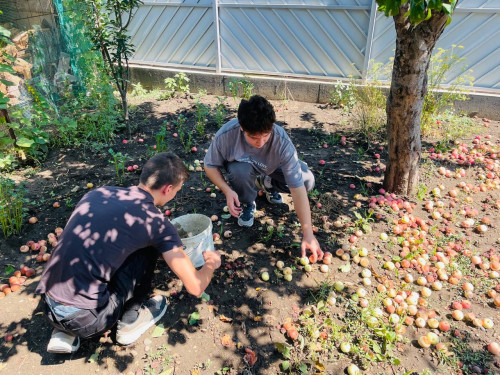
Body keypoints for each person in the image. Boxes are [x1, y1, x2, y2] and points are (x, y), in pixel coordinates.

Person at [35, 152, 221, 354]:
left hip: (49, 305)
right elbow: (195, 287)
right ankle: (130, 322)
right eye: (177, 190)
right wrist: (211, 263)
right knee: (150, 248)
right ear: (168, 189)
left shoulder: (98, 194)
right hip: (88, 319)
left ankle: (63, 332)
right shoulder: (155, 222)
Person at [204, 95, 323, 262]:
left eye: (266, 136)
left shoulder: (281, 142)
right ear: (241, 128)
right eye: (253, 137)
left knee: (307, 181)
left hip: (272, 168)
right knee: (238, 171)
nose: (260, 143)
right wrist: (227, 190)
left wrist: (308, 233)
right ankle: (247, 201)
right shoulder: (226, 135)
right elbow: (209, 165)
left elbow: (297, 188)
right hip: (243, 169)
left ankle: (267, 184)